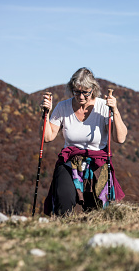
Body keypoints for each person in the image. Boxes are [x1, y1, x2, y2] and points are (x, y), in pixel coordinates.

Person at [41, 67, 127, 216]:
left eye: (85, 92)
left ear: (93, 90)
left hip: (97, 163)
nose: (80, 96)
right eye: (76, 91)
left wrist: (115, 110)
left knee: (96, 210)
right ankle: (63, 232)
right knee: (64, 200)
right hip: (69, 161)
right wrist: (46, 114)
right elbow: (48, 137)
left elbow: (119, 138)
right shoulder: (63, 107)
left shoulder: (102, 107)